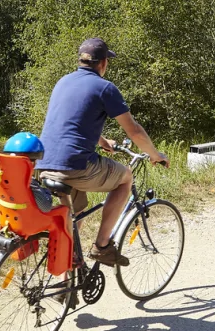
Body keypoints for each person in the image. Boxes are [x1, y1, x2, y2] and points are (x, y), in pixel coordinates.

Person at [36, 38, 169, 267]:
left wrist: (101, 139)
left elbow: (72, 121)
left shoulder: (63, 82)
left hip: (45, 164)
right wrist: (156, 155)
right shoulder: (104, 87)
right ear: (104, 63)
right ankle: (102, 246)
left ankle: (63, 280)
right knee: (125, 178)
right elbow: (135, 131)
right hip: (75, 166)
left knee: (73, 216)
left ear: (81, 60)